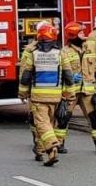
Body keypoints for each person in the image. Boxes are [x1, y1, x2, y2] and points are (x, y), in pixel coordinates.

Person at [18, 19, 63, 167]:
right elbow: (67, 74)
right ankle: (39, 149)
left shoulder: (31, 51)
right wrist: (69, 95)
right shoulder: (59, 52)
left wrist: (23, 93)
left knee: (41, 123)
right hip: (55, 94)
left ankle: (49, 147)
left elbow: (24, 74)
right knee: (46, 123)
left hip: (37, 94)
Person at [58, 23, 96, 154]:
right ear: (73, 36)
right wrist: (68, 79)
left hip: (88, 91)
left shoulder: (89, 48)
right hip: (71, 92)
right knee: (64, 118)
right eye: (80, 33)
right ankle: (59, 144)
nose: (83, 35)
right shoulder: (64, 52)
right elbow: (60, 72)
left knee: (94, 119)